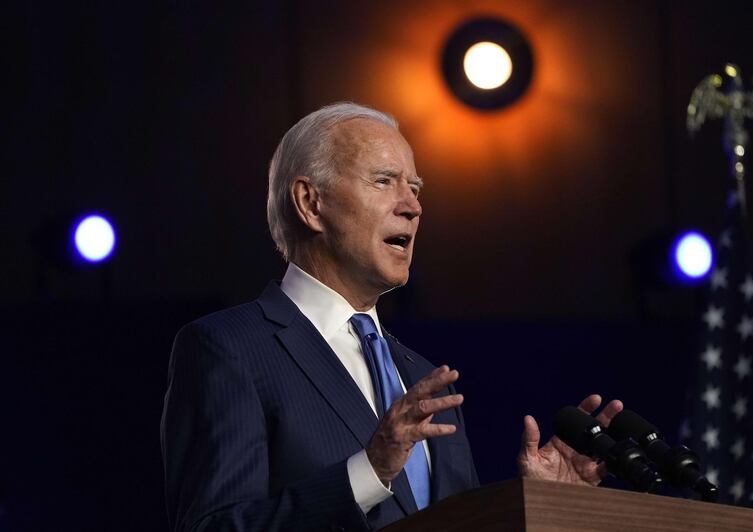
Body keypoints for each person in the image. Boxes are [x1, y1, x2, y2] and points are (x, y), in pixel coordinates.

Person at [160, 102, 622, 531]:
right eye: (384, 181)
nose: (413, 206)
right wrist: (368, 472)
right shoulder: (229, 348)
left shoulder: (423, 378)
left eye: (415, 188)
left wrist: (534, 506)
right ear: (310, 203)